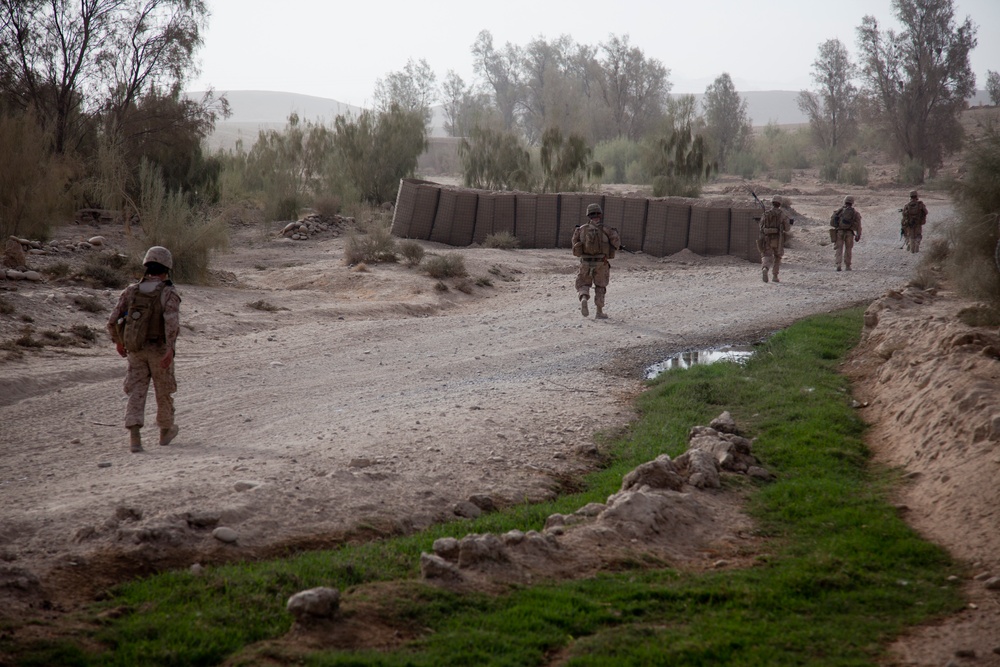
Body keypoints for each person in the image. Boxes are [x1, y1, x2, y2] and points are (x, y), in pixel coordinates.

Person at [107, 246, 181, 452]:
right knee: (163, 390)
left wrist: (119, 342)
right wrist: (170, 350)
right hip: (158, 349)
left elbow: (112, 320)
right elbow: (171, 324)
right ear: (167, 268)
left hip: (135, 350)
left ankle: (135, 437)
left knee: (136, 391)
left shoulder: (131, 290)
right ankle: (165, 430)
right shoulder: (168, 293)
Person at [572, 203, 621, 319]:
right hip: (601, 262)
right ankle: (599, 312)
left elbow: (574, 245)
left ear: (588, 215)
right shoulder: (607, 229)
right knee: (600, 285)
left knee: (583, 283)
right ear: (600, 214)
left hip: (585, 262)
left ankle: (584, 298)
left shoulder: (580, 229)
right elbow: (617, 244)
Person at [757, 195, 792, 283]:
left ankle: (765, 268)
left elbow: (761, 226)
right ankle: (775, 276)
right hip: (778, 239)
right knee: (777, 257)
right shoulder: (782, 214)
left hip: (767, 238)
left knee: (766, 255)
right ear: (780, 204)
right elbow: (787, 228)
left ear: (772, 203)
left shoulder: (766, 213)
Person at [829, 195, 862, 271]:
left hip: (839, 232)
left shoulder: (839, 211)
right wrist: (858, 235)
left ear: (845, 201)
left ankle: (838, 264)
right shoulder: (855, 213)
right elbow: (858, 226)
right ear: (852, 202)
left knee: (839, 248)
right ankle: (847, 266)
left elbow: (832, 223)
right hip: (849, 233)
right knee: (848, 249)